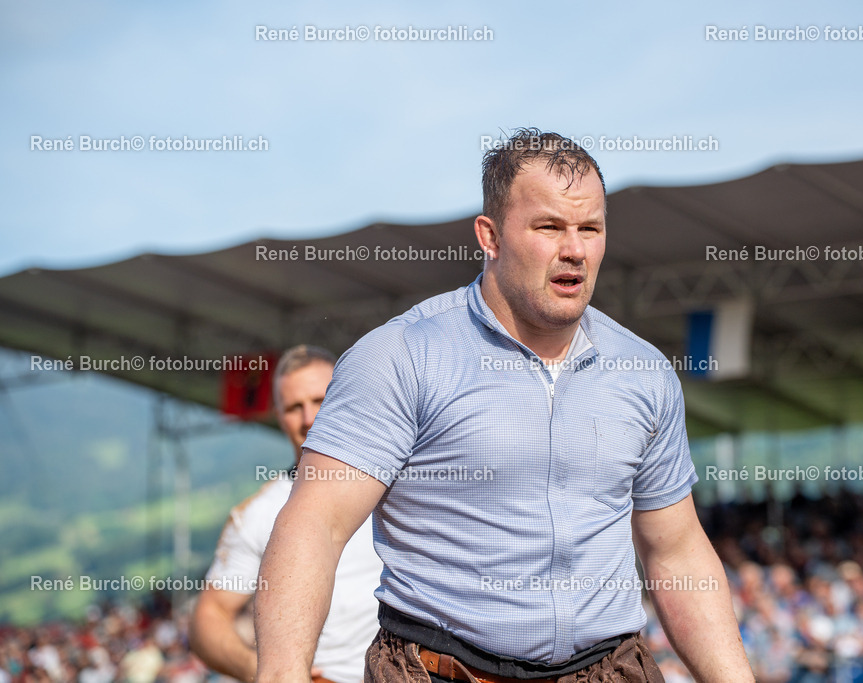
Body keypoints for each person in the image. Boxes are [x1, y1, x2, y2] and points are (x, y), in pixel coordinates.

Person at [254, 129, 754, 682]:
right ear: (489, 236)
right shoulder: (401, 356)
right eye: (549, 227)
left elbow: (677, 551)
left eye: (590, 228)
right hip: (440, 670)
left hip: (609, 668)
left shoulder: (644, 372)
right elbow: (313, 526)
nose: (574, 249)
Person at [190, 345, 382, 683]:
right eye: (294, 407)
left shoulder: (401, 483)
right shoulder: (257, 514)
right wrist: (256, 668)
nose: (309, 418)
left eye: (320, 400)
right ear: (279, 416)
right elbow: (209, 615)